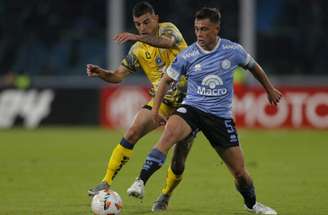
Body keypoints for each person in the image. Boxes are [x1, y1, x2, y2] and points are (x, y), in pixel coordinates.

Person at [127, 7, 282, 215]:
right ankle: (140, 182)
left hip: (219, 117)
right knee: (169, 134)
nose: (199, 34)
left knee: (239, 173)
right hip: (191, 109)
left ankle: (252, 204)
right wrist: (155, 110)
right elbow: (165, 81)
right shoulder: (188, 54)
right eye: (196, 29)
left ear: (216, 29)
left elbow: (254, 67)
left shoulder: (233, 50)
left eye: (204, 29)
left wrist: (269, 89)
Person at [86, 1, 194, 211]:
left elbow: (166, 42)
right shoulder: (138, 50)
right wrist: (102, 73)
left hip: (191, 102)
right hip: (162, 101)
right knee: (133, 130)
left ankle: (165, 195)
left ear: (156, 17)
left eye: (146, 22)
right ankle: (106, 181)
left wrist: (137, 37)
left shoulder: (169, 29)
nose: (143, 27)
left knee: (179, 159)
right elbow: (118, 76)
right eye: (138, 25)